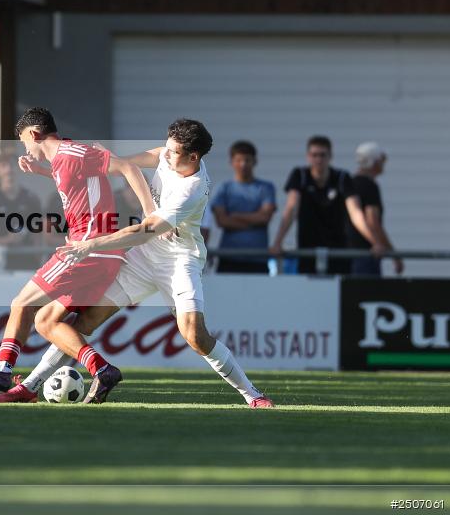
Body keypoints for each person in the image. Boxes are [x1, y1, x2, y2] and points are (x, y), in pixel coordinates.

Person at [14, 119, 275, 408]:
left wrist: (92, 244)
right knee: (85, 320)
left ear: (193, 157)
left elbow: (144, 231)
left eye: (174, 152)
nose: (167, 154)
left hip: (179, 261)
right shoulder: (171, 153)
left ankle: (253, 395)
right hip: (143, 259)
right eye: (168, 147)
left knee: (195, 336)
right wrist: (118, 162)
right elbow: (153, 156)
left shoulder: (193, 190)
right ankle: (29, 385)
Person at [0, 107, 156, 402]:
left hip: (88, 250)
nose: (24, 147)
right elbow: (76, 182)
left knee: (21, 304)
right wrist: (40, 171)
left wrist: (150, 214)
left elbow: (129, 168)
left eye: (24, 141)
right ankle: (102, 370)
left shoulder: (73, 152)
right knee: (47, 321)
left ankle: (2, 370)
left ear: (35, 134)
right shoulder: (63, 161)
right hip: (101, 254)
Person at [271, 136, 385, 274]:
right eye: (314, 155)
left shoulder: (342, 177)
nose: (318, 159)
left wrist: (375, 242)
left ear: (330, 156)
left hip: (338, 251)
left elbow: (355, 213)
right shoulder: (300, 176)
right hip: (308, 250)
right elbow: (291, 208)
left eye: (322, 155)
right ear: (308, 157)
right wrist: (278, 242)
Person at [210, 141, 276, 274]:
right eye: (239, 160)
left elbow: (265, 217)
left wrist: (236, 216)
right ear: (231, 162)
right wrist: (254, 221)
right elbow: (221, 221)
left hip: (258, 260)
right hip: (229, 259)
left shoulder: (266, 188)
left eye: (247, 160)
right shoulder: (223, 188)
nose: (243, 164)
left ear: (255, 161)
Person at [347, 142, 403, 276]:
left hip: (348, 254)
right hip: (366, 255)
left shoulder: (350, 183)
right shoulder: (369, 186)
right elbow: (373, 221)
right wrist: (392, 253)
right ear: (374, 161)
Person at [0, 153, 42, 270]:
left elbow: (38, 236)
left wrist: (40, 260)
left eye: (12, 165)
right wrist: (8, 240)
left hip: (27, 262)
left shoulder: (31, 199)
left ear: (19, 168)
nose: (9, 170)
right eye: (4, 166)